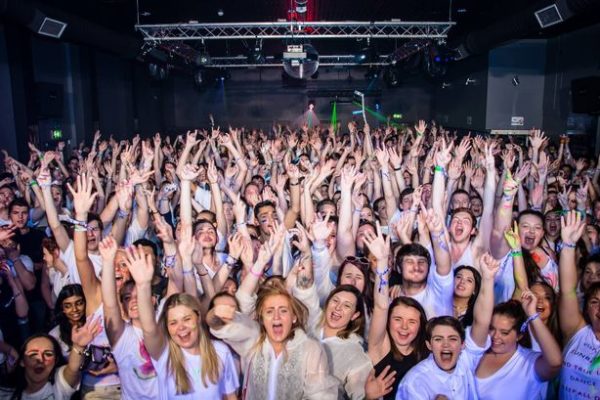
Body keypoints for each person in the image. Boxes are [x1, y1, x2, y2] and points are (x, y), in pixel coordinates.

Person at [126, 244, 239, 399]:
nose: (181, 328)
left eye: (186, 319)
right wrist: (143, 285)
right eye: (173, 323)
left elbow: (230, 396)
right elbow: (149, 329)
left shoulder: (221, 351)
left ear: (198, 318)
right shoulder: (164, 355)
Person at [396, 253, 499, 400]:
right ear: (429, 345)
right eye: (438, 339)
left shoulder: (466, 359)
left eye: (452, 339)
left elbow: (482, 321)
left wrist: (488, 278)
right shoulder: (415, 383)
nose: (446, 344)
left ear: (463, 344)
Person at [362, 222, 429, 400]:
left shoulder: (427, 353)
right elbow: (381, 305)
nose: (404, 327)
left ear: (421, 326)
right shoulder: (380, 347)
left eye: (412, 322)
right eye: (398, 319)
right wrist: (382, 261)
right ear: (388, 321)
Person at [474, 293, 563, 400]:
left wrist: (532, 315)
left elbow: (555, 362)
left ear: (519, 336)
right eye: (492, 329)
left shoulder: (528, 362)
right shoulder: (478, 352)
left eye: (504, 333)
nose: (495, 336)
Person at [0, 318, 100, 400]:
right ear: (22, 361)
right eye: (33, 354)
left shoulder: (59, 384)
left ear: (55, 361)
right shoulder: (6, 394)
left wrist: (78, 346)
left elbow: (73, 369)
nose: (40, 359)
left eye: (48, 354)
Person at [558, 210, 600, 398]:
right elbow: (567, 290)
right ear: (587, 308)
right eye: (595, 302)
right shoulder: (576, 332)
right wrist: (568, 245)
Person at [48, 284, 86, 358]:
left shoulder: (96, 325)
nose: (74, 309)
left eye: (79, 303)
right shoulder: (55, 335)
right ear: (62, 308)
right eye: (68, 306)